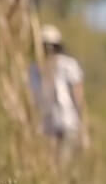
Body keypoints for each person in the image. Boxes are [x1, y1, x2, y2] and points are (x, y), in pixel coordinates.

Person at [27, 24, 88, 162]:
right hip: (47, 126)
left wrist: (82, 124)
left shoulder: (67, 65)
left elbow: (78, 95)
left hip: (66, 122)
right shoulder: (34, 69)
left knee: (61, 163)